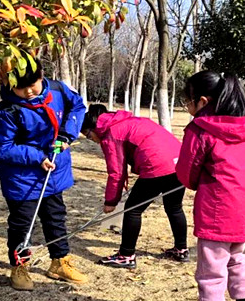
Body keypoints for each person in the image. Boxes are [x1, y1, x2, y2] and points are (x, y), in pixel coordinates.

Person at [176, 71, 245, 301]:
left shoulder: (200, 130)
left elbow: (187, 175)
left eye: (187, 101)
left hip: (219, 210)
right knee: (237, 256)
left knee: (211, 273)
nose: (187, 107)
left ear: (202, 101)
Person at [0, 54, 89, 290]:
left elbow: (78, 106)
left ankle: (60, 261)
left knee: (56, 217)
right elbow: (1, 147)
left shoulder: (58, 90)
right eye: (21, 88)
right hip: (22, 177)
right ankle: (19, 266)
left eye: (32, 85)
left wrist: (66, 134)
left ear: (42, 76)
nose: (29, 92)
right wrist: (36, 157)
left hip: (54, 171)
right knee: (23, 223)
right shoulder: (6, 111)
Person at [80, 104, 188, 268]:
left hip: (157, 165)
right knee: (174, 207)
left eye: (88, 136)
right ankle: (181, 250)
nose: (92, 140)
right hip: (179, 161)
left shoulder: (111, 134)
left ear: (93, 128)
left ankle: (126, 255)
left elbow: (116, 172)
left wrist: (111, 201)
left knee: (133, 210)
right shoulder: (129, 120)